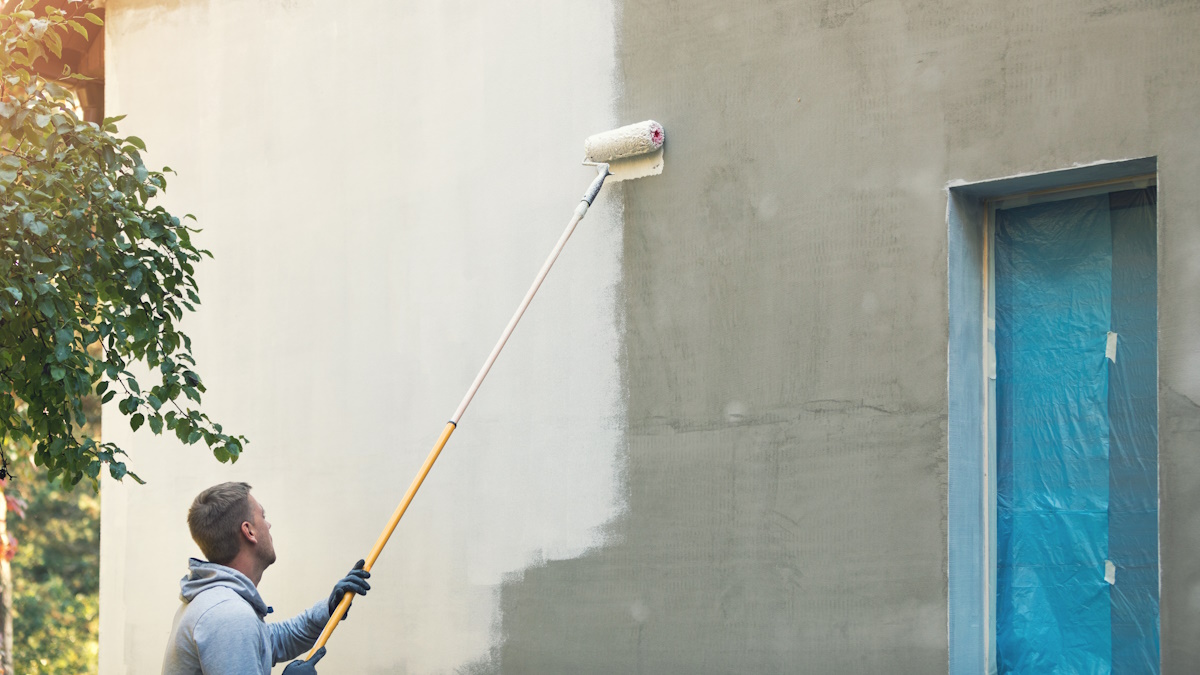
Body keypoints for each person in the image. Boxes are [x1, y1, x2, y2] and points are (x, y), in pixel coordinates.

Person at [161, 482, 371, 675]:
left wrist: (328, 610)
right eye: (263, 515)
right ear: (249, 531)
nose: (268, 525)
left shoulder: (218, 604)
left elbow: (274, 640)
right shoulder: (228, 615)